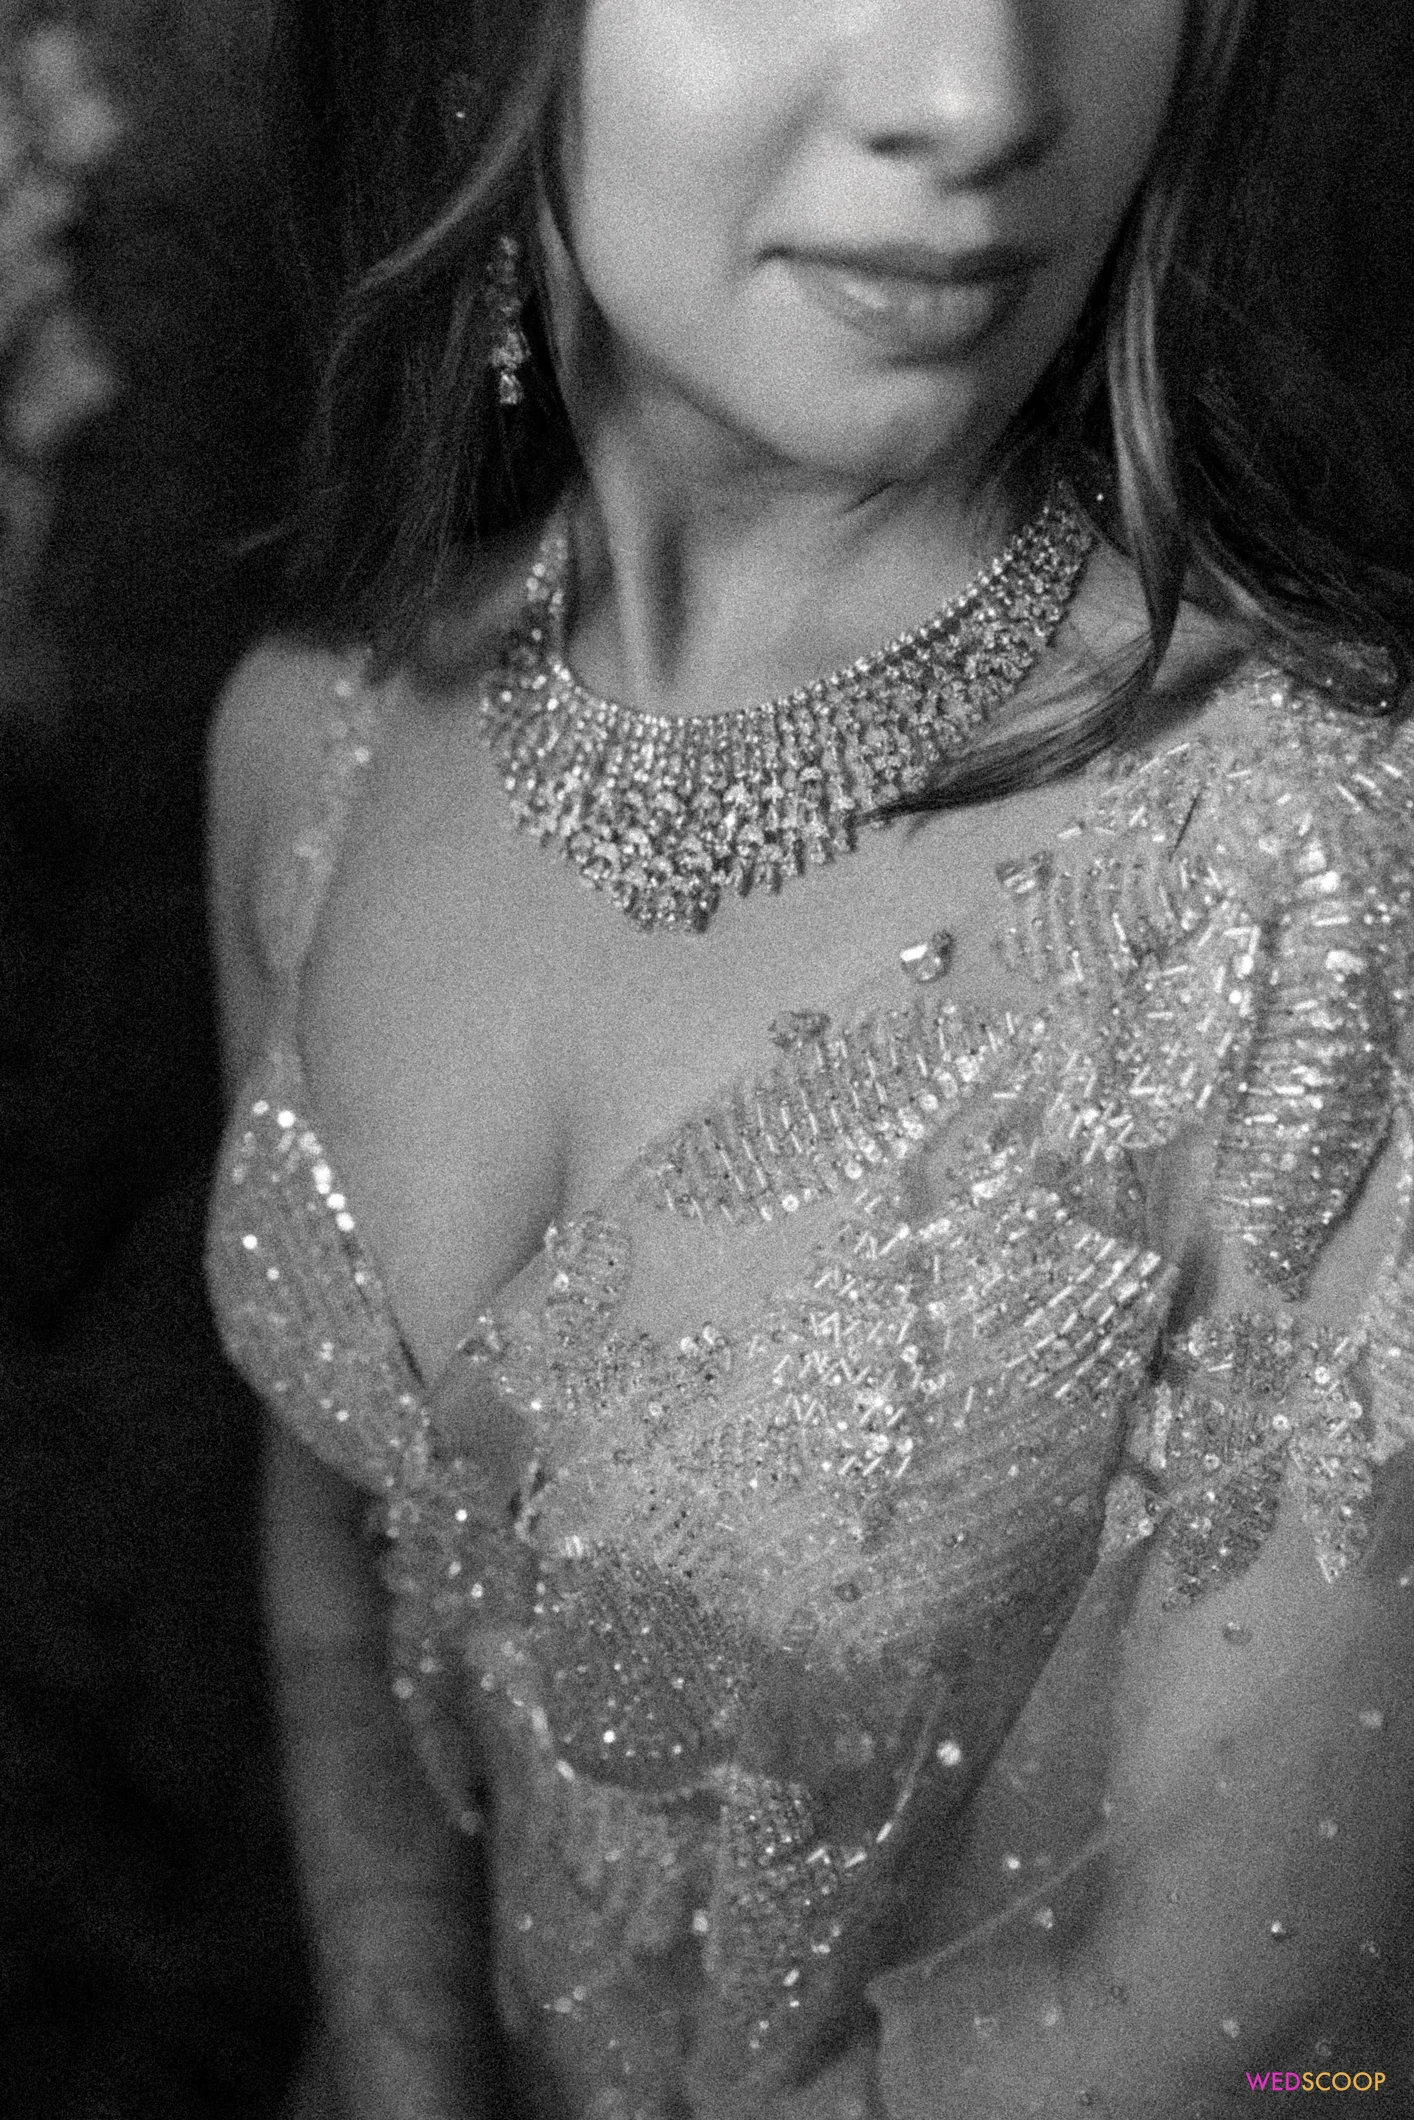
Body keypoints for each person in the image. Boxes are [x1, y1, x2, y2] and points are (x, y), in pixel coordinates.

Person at [205, 3, 1414, 2115]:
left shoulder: (1321, 868)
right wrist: (405, 2064)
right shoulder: (308, 738)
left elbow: (1210, 1995)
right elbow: (341, 1559)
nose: (978, 101)